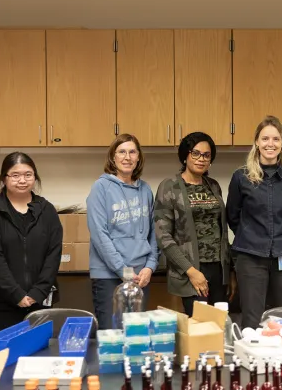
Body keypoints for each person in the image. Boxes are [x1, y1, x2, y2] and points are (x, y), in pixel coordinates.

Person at [227, 116, 282, 329]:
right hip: (250, 257)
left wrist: (280, 237)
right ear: (256, 142)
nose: (270, 144)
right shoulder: (241, 177)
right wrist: (254, 237)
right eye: (264, 139)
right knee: (252, 319)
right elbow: (233, 216)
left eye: (275, 139)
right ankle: (251, 360)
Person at [0, 152, 63, 334]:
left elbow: (53, 253)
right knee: (6, 356)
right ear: (4, 179)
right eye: (15, 175)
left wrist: (37, 292)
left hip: (39, 300)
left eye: (28, 175)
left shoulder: (46, 210)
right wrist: (16, 294)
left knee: (40, 355)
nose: (22, 180)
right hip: (2, 302)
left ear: (35, 177)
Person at [154, 132, 235, 317]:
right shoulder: (170, 187)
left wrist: (230, 272)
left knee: (221, 326)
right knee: (200, 327)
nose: (201, 159)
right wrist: (191, 272)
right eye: (196, 153)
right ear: (185, 156)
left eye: (206, 155)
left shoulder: (213, 186)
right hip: (192, 269)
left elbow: (221, 231)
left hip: (219, 270)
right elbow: (163, 236)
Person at [87, 134, 158, 329]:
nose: (127, 157)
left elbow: (153, 233)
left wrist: (150, 267)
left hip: (141, 276)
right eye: (122, 152)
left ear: (138, 158)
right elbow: (100, 235)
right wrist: (124, 271)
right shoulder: (100, 188)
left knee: (136, 336)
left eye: (132, 152)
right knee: (113, 337)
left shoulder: (145, 190)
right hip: (109, 276)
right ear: (113, 157)